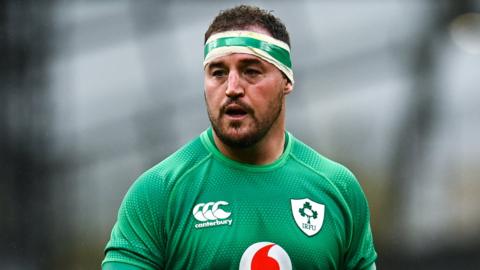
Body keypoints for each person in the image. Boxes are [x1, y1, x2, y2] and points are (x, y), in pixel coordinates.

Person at [102, 5, 377, 270]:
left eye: (251, 71)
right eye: (218, 73)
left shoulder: (339, 189)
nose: (232, 88)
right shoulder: (158, 193)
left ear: (287, 81)